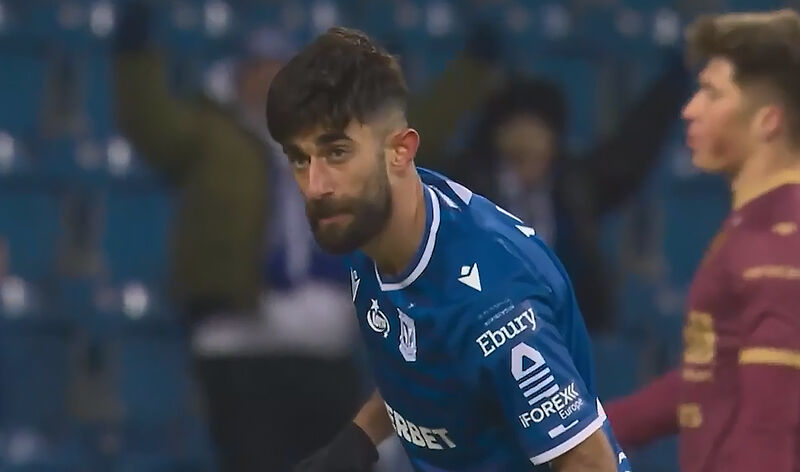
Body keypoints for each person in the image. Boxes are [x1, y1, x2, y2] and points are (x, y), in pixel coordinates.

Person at [266, 27, 629, 471]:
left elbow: (590, 461)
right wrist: (358, 439)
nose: (316, 186)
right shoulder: (369, 226)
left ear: (400, 151)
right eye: (300, 159)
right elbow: (433, 360)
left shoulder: (496, 304)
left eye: (337, 153)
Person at [606, 9, 800, 472]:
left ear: (768, 121)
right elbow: (712, 374)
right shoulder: (754, 224)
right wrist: (586, 433)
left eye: (712, 93)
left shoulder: (779, 241)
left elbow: (769, 429)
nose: (690, 109)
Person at [453, 60, 690, 333]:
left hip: (566, 335)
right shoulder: (467, 189)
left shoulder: (573, 187)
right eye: (519, 128)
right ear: (498, 137)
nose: (529, 140)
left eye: (539, 129)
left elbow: (630, 154)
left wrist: (675, 79)